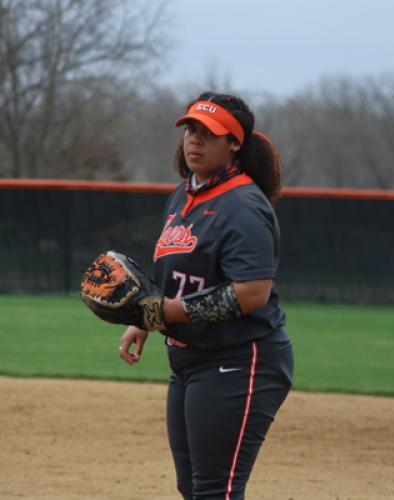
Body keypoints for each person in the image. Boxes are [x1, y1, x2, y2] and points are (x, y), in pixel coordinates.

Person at [118, 92, 294, 499]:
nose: (194, 141)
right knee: (193, 486)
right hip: (191, 359)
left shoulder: (244, 205)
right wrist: (142, 321)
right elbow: (175, 271)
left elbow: (251, 293)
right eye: (190, 131)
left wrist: (167, 312)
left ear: (234, 144)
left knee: (216, 489)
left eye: (209, 134)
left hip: (240, 359)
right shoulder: (184, 195)